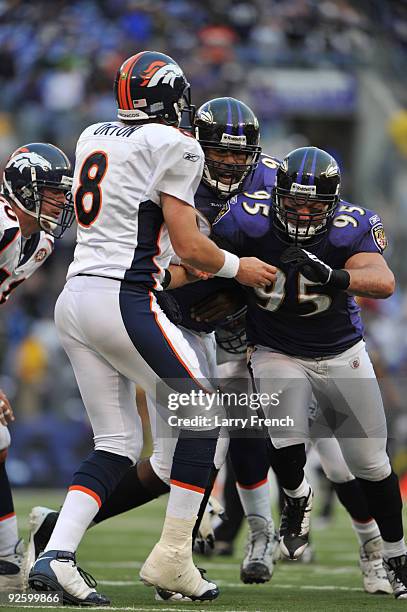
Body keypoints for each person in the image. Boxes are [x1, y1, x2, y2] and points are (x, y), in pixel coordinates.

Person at [27, 57, 275, 606]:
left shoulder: (95, 131)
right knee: (204, 414)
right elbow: (188, 246)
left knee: (117, 445)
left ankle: (55, 555)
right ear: (171, 98)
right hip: (124, 295)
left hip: (75, 298)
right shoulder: (176, 144)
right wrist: (240, 268)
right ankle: (172, 558)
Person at [211, 145, 407, 599]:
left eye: (314, 205)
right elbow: (207, 257)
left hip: (340, 350)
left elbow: (384, 281)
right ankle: (296, 497)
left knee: (369, 463)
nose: (302, 213)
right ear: (275, 194)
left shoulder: (349, 227)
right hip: (276, 346)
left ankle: (395, 555)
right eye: (294, 202)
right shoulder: (244, 219)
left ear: (333, 204)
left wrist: (333, 276)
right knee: (285, 431)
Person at [0, 142, 74, 590]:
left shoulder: (40, 243)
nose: (61, 201)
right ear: (24, 190)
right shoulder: (4, 227)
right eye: (52, 192)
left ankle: (7, 555)